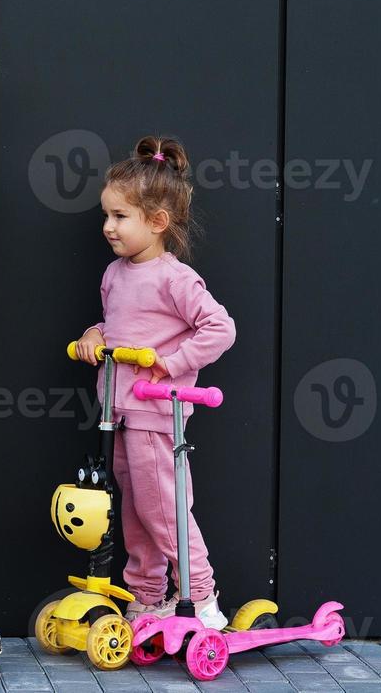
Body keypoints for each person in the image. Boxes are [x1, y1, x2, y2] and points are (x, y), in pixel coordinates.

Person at [71, 135, 237, 628]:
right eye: (106, 215)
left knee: (163, 508)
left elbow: (220, 328)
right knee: (134, 512)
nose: (108, 227)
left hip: (156, 411)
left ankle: (201, 595)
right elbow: (114, 327)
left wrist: (170, 362)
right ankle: (146, 596)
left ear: (158, 222)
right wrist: (93, 334)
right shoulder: (115, 274)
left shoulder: (174, 278)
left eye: (120, 217)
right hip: (119, 414)